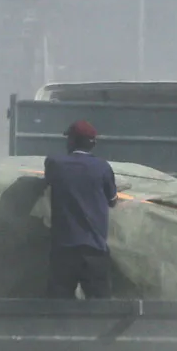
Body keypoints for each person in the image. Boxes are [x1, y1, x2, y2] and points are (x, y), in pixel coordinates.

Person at [45, 120, 118, 299]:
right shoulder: (103, 167)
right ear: (93, 144)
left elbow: (49, 181)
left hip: (64, 250)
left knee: (59, 306)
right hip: (94, 250)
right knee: (100, 307)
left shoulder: (55, 163)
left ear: (71, 141)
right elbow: (113, 201)